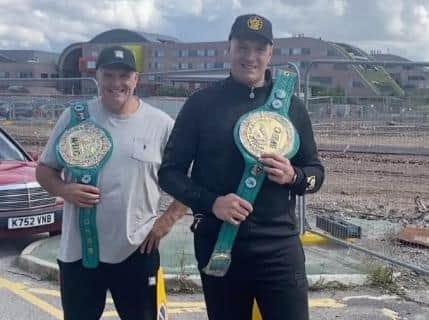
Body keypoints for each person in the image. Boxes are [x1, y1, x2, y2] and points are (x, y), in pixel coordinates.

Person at [158, 14, 325, 320]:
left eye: (259, 49)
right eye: (243, 47)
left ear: (271, 54)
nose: (251, 57)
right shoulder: (201, 104)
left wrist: (294, 176)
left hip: (278, 247)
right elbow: (169, 174)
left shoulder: (291, 107)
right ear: (229, 49)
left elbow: (316, 173)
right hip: (219, 244)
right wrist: (212, 203)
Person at [36, 46, 187, 320]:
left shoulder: (161, 124)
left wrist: (167, 220)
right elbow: (44, 170)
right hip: (79, 253)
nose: (116, 84)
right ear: (98, 77)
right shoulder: (74, 117)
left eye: (124, 76)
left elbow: (190, 178)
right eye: (108, 75)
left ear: (136, 79)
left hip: (137, 250)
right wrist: (62, 189)